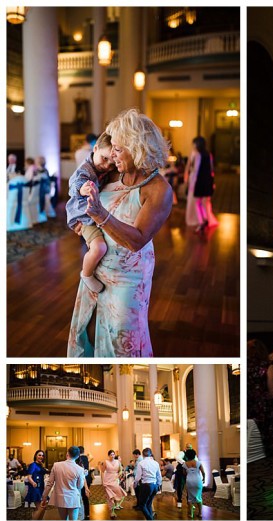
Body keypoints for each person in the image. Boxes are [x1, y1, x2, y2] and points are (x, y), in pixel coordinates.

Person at [68, 108, 174, 357]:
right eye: (111, 148)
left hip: (128, 279)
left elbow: (137, 240)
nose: (112, 155)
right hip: (97, 272)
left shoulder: (159, 190)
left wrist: (99, 215)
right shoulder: (112, 173)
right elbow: (77, 202)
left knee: (121, 340)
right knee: (89, 334)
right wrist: (84, 226)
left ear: (138, 148)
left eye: (118, 149)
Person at [67, 132, 117, 293]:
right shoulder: (86, 169)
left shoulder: (104, 168)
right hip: (83, 216)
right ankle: (86, 274)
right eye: (104, 158)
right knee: (99, 247)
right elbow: (75, 182)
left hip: (93, 214)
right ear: (95, 148)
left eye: (112, 162)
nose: (107, 165)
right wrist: (82, 189)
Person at [248, 339, 273, 456]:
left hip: (249, 404)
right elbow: (272, 392)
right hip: (263, 405)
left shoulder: (245, 366)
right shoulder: (267, 367)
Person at [41, 446, 87, 521]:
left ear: (67, 454)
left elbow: (50, 483)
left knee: (64, 520)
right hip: (73, 498)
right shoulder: (80, 469)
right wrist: (83, 475)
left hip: (60, 497)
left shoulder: (56, 465)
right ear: (78, 456)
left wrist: (44, 497)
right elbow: (79, 486)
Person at [184, 136, 218, 232]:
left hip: (198, 182)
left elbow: (196, 170)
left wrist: (192, 184)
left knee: (197, 203)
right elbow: (211, 170)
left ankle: (201, 222)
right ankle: (205, 219)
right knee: (202, 202)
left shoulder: (197, 154)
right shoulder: (208, 154)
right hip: (207, 181)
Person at [134, 447, 161, 521]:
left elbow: (138, 477)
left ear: (142, 455)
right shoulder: (156, 463)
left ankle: (150, 520)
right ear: (151, 454)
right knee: (149, 504)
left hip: (146, 486)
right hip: (154, 485)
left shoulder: (141, 463)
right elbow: (159, 476)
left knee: (142, 505)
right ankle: (151, 519)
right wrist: (158, 485)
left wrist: (135, 484)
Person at [100, 449, 127, 518]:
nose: (112, 456)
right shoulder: (105, 462)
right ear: (108, 455)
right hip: (107, 480)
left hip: (115, 480)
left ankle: (116, 505)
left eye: (113, 454)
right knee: (110, 496)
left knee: (118, 493)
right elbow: (102, 471)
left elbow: (121, 470)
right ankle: (112, 512)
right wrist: (103, 481)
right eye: (111, 454)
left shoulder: (118, 462)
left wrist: (117, 476)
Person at [183, 448, 205, 519]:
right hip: (198, 481)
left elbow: (184, 473)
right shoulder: (199, 463)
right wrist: (204, 479)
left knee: (190, 498)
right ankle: (200, 513)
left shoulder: (184, 464)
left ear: (186, 456)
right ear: (194, 455)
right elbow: (203, 472)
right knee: (199, 497)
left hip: (189, 481)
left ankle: (191, 514)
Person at [75, 447, 92, 519]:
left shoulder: (77, 459)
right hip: (87, 478)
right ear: (83, 451)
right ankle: (87, 514)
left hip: (81, 479)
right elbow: (92, 457)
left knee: (80, 496)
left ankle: (80, 514)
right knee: (85, 497)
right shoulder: (86, 458)